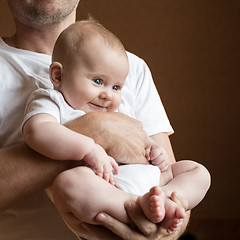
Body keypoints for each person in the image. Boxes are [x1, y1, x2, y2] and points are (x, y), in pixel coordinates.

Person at [0, 0, 190, 239]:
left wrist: (160, 230)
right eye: (97, 82)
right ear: (57, 75)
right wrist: (97, 132)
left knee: (196, 172)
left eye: (116, 87)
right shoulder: (47, 99)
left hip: (142, 201)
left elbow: (168, 178)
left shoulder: (132, 68)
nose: (107, 93)